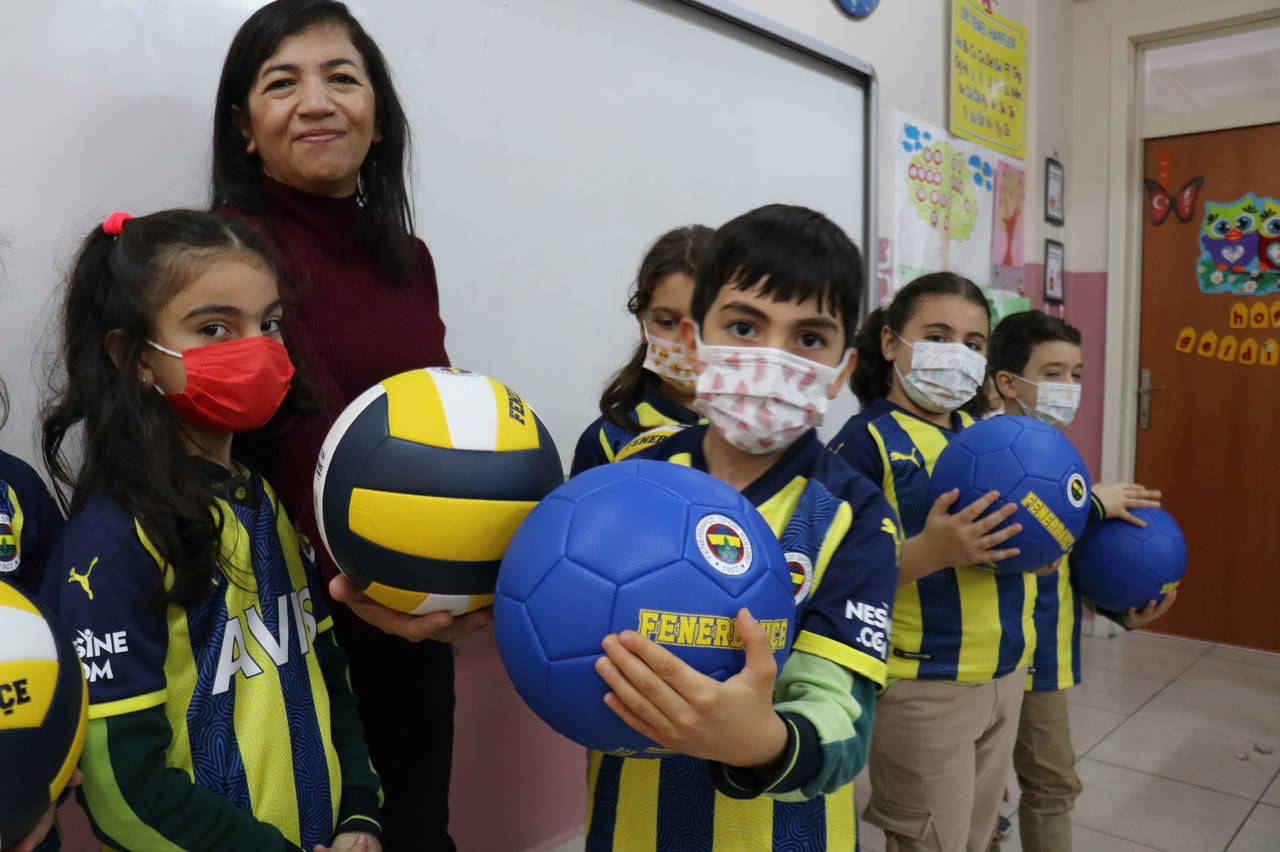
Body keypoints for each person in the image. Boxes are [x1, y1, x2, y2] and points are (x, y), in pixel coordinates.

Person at [211, 3, 483, 847]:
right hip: (298, 617)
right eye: (282, 83)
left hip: (411, 606)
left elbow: (437, 417)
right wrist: (363, 585)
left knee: (417, 828)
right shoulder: (230, 251)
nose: (317, 102)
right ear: (245, 128)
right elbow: (306, 428)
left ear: (378, 116)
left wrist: (472, 563)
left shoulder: (407, 256)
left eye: (341, 77)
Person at [40, 209, 381, 852]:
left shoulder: (264, 500)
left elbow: (328, 675)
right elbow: (120, 790)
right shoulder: (114, 537)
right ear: (134, 357)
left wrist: (359, 816)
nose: (257, 348)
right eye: (215, 328)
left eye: (269, 323)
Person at [587, 204, 900, 851]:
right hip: (629, 826)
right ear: (694, 341)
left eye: (808, 338)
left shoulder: (854, 514)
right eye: (743, 326)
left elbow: (844, 724)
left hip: (783, 835)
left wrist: (762, 741)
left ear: (842, 371)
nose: (770, 358)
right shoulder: (633, 479)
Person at [828, 272, 1028, 852]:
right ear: (891, 343)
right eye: (937, 337)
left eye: (973, 343)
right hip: (922, 682)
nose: (956, 355)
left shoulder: (988, 438)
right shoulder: (863, 444)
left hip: (1004, 671)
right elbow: (834, 574)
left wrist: (1034, 549)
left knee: (977, 837)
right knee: (931, 840)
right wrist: (930, 552)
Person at [986, 309, 1173, 852]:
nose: (1069, 387)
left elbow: (1065, 561)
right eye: (1053, 373)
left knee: (1051, 782)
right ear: (1007, 383)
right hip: (994, 653)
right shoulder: (987, 452)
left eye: (1076, 373)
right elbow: (1016, 537)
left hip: (1046, 650)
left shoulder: (1060, 458)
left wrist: (1117, 608)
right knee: (995, 788)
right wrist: (1090, 504)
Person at [570, 225, 711, 476]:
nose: (687, 340)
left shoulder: (754, 434)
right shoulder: (607, 438)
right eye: (668, 322)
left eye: (704, 322)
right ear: (643, 325)